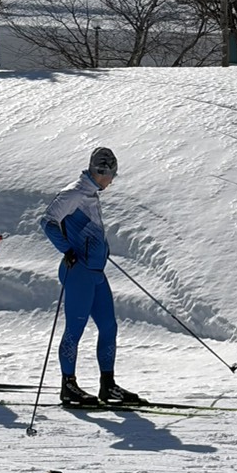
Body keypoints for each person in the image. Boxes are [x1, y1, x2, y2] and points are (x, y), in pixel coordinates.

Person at [40, 146, 139, 407]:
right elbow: (47, 221)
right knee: (76, 328)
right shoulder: (74, 193)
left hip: (95, 272)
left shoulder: (92, 193)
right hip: (78, 272)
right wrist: (66, 249)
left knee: (109, 327)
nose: (112, 180)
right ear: (101, 171)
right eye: (111, 175)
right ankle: (68, 386)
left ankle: (108, 385)